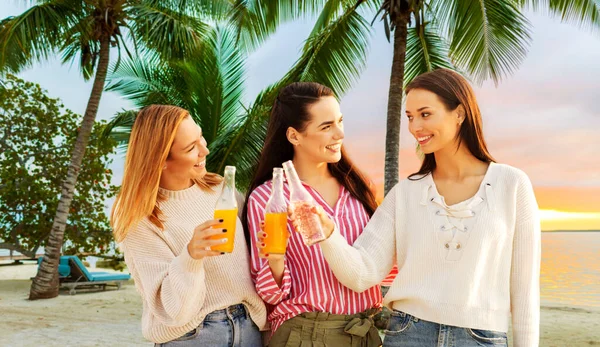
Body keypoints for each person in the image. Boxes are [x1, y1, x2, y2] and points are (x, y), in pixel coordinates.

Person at [301, 69, 541, 347]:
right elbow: (362, 272)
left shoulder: (512, 185)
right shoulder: (405, 193)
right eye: (410, 117)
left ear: (460, 113)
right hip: (407, 334)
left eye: (425, 114)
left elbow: (525, 292)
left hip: (481, 338)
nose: (415, 127)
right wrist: (329, 234)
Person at [242, 82, 396, 346]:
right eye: (326, 127)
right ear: (294, 136)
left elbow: (381, 268)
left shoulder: (358, 190)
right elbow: (269, 294)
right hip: (305, 334)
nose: (339, 134)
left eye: (340, 121)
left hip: (364, 332)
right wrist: (276, 261)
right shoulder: (268, 199)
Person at [111, 105, 266, 346]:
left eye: (201, 137)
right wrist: (191, 256)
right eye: (191, 148)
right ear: (160, 160)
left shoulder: (220, 189)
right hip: (193, 336)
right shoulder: (141, 220)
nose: (205, 149)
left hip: (248, 328)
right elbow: (175, 311)